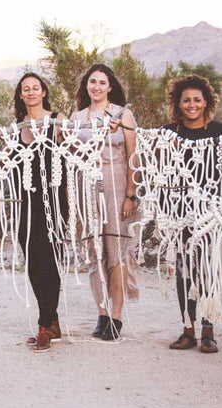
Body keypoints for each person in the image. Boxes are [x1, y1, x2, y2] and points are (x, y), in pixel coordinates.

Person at [163, 74, 222, 353]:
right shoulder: (169, 133)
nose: (191, 105)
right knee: (184, 271)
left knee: (208, 270)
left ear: (206, 101)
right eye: (186, 100)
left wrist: (221, 207)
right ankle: (187, 329)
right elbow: (160, 170)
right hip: (180, 210)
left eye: (197, 99)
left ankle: (208, 329)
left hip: (210, 211)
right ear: (178, 104)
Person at [70, 64, 140, 343]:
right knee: (94, 251)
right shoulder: (77, 117)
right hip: (86, 188)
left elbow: (134, 157)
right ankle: (101, 311)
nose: (96, 87)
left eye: (102, 82)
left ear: (110, 87)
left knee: (116, 252)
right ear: (86, 86)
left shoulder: (123, 114)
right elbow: (72, 152)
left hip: (116, 186)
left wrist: (130, 194)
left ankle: (117, 315)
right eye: (92, 82)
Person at [13, 73, 67, 352]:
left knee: (50, 260)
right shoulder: (17, 127)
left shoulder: (57, 122)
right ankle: (51, 320)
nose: (31, 92)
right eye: (26, 89)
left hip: (53, 202)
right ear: (21, 95)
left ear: (44, 92)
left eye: (36, 88)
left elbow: (73, 153)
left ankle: (45, 325)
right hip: (26, 203)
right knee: (33, 260)